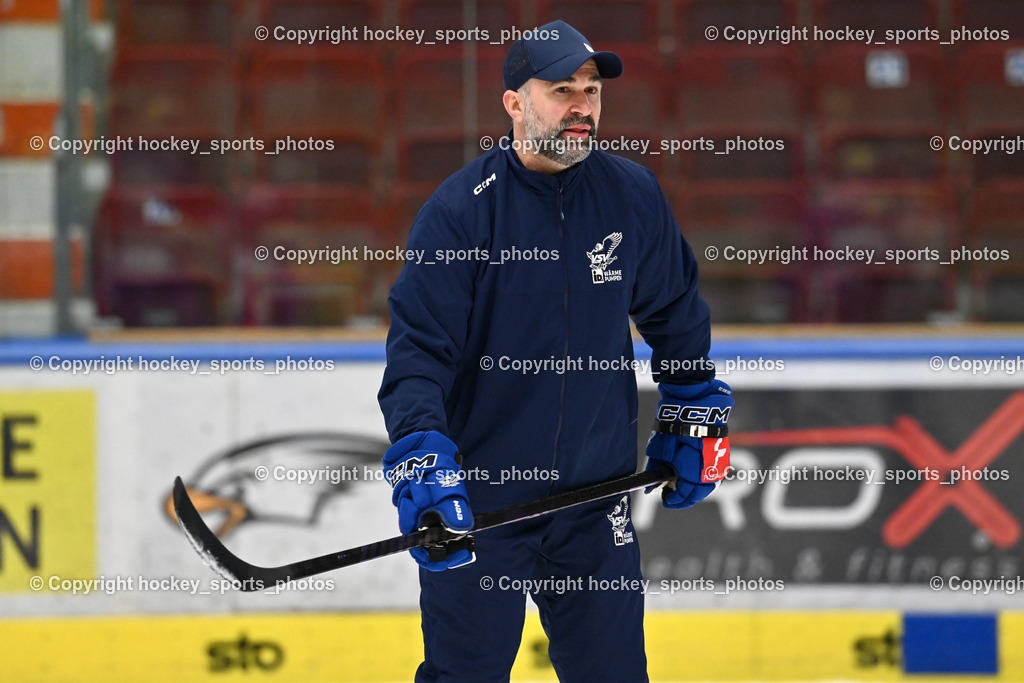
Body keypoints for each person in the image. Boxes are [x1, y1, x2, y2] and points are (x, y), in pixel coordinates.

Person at [377, 19, 733, 683]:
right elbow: (418, 355)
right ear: (514, 103)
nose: (582, 107)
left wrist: (692, 402)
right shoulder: (460, 214)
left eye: (592, 91)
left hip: (595, 506)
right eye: (562, 89)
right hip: (482, 512)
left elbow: (674, 312)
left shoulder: (632, 195)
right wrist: (422, 451)